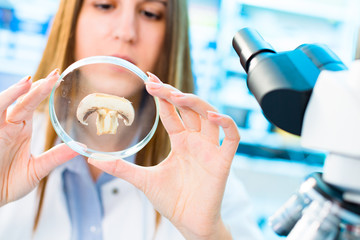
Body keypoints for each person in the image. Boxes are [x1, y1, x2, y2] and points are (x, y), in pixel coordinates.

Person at [0, 0, 263, 239]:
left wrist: (209, 235)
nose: (126, 32)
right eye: (104, 5)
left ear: (171, 36)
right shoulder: (6, 149)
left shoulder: (209, 183)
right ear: (72, 17)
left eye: (150, 13)